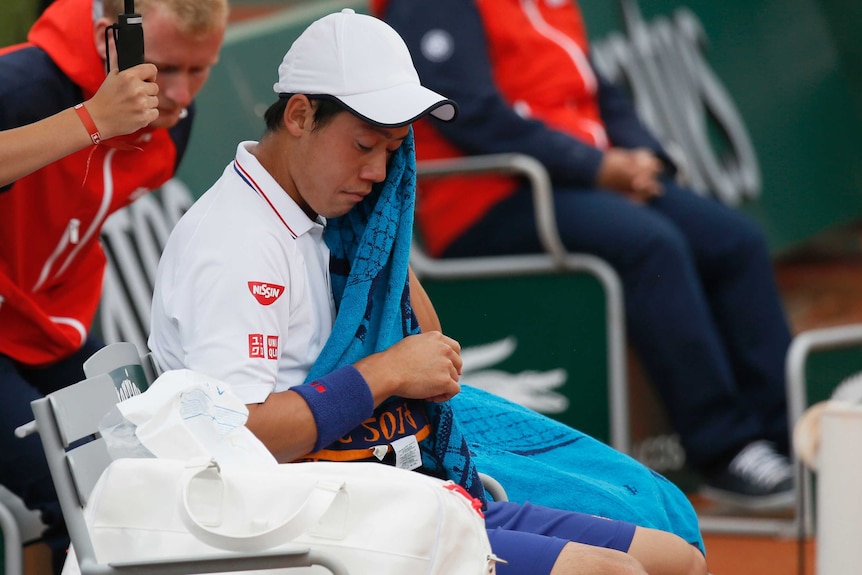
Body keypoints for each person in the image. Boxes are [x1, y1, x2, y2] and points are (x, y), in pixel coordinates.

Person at [149, 10, 707, 575]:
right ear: (300, 114)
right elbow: (239, 436)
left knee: (677, 560)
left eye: (392, 150)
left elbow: (432, 354)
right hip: (317, 524)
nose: (377, 170)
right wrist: (385, 373)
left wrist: (383, 239)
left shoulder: (329, 214)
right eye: (364, 144)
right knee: (612, 573)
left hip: (400, 490)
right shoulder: (236, 241)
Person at [373, 0, 795, 510]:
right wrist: (597, 166)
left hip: (581, 182)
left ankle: (791, 437)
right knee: (651, 244)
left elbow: (599, 91)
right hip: (488, 195)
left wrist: (643, 159)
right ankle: (726, 449)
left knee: (735, 240)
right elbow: (470, 111)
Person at [0, 0, 228, 572]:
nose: (180, 93)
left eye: (199, 70)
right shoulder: (21, 82)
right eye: (161, 68)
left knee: (143, 472)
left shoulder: (173, 124)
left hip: (56, 323)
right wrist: (90, 121)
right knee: (77, 494)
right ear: (111, 40)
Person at [0, 63, 159, 187]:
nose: (180, 96)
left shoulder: (175, 134)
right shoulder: (16, 87)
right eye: (166, 69)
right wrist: (95, 117)